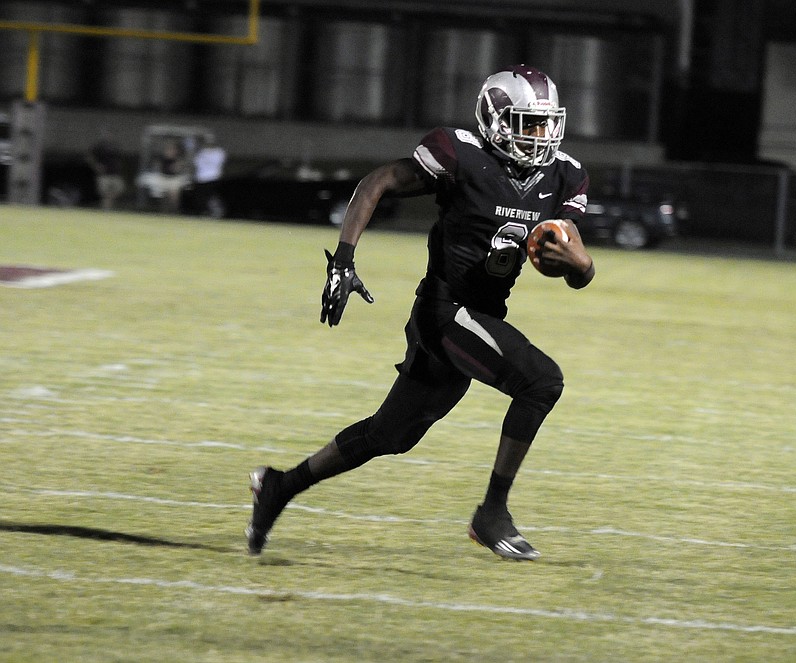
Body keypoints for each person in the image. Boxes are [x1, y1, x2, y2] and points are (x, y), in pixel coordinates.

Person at [246, 65, 595, 561]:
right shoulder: (461, 153)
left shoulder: (565, 174)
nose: (539, 136)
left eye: (545, 124)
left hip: (478, 319)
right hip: (444, 311)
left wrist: (583, 264)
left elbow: (573, 268)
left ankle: (280, 486)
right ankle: (492, 514)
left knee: (390, 434)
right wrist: (343, 259)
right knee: (541, 381)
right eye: (526, 123)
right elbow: (379, 180)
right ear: (494, 119)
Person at [87, 130, 125, 210]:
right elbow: (90, 157)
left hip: (116, 173)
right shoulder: (99, 146)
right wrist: (96, 166)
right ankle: (106, 210)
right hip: (104, 174)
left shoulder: (115, 146)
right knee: (105, 193)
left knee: (119, 190)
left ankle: (107, 206)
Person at [191, 135, 227, 216]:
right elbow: (196, 163)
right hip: (200, 178)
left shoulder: (219, 152)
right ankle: (203, 213)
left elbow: (217, 163)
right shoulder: (201, 152)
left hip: (213, 178)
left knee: (211, 197)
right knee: (200, 198)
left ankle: (216, 212)